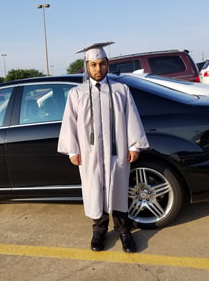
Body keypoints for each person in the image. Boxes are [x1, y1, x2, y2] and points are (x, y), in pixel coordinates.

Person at [57, 42, 149, 253]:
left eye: (102, 64)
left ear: (108, 64)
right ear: (87, 66)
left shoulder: (121, 90)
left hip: (116, 153)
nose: (98, 69)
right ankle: (98, 231)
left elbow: (131, 118)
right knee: (94, 191)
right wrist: (73, 150)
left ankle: (124, 231)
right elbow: (69, 122)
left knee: (117, 189)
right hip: (89, 155)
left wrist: (134, 144)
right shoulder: (77, 93)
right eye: (93, 65)